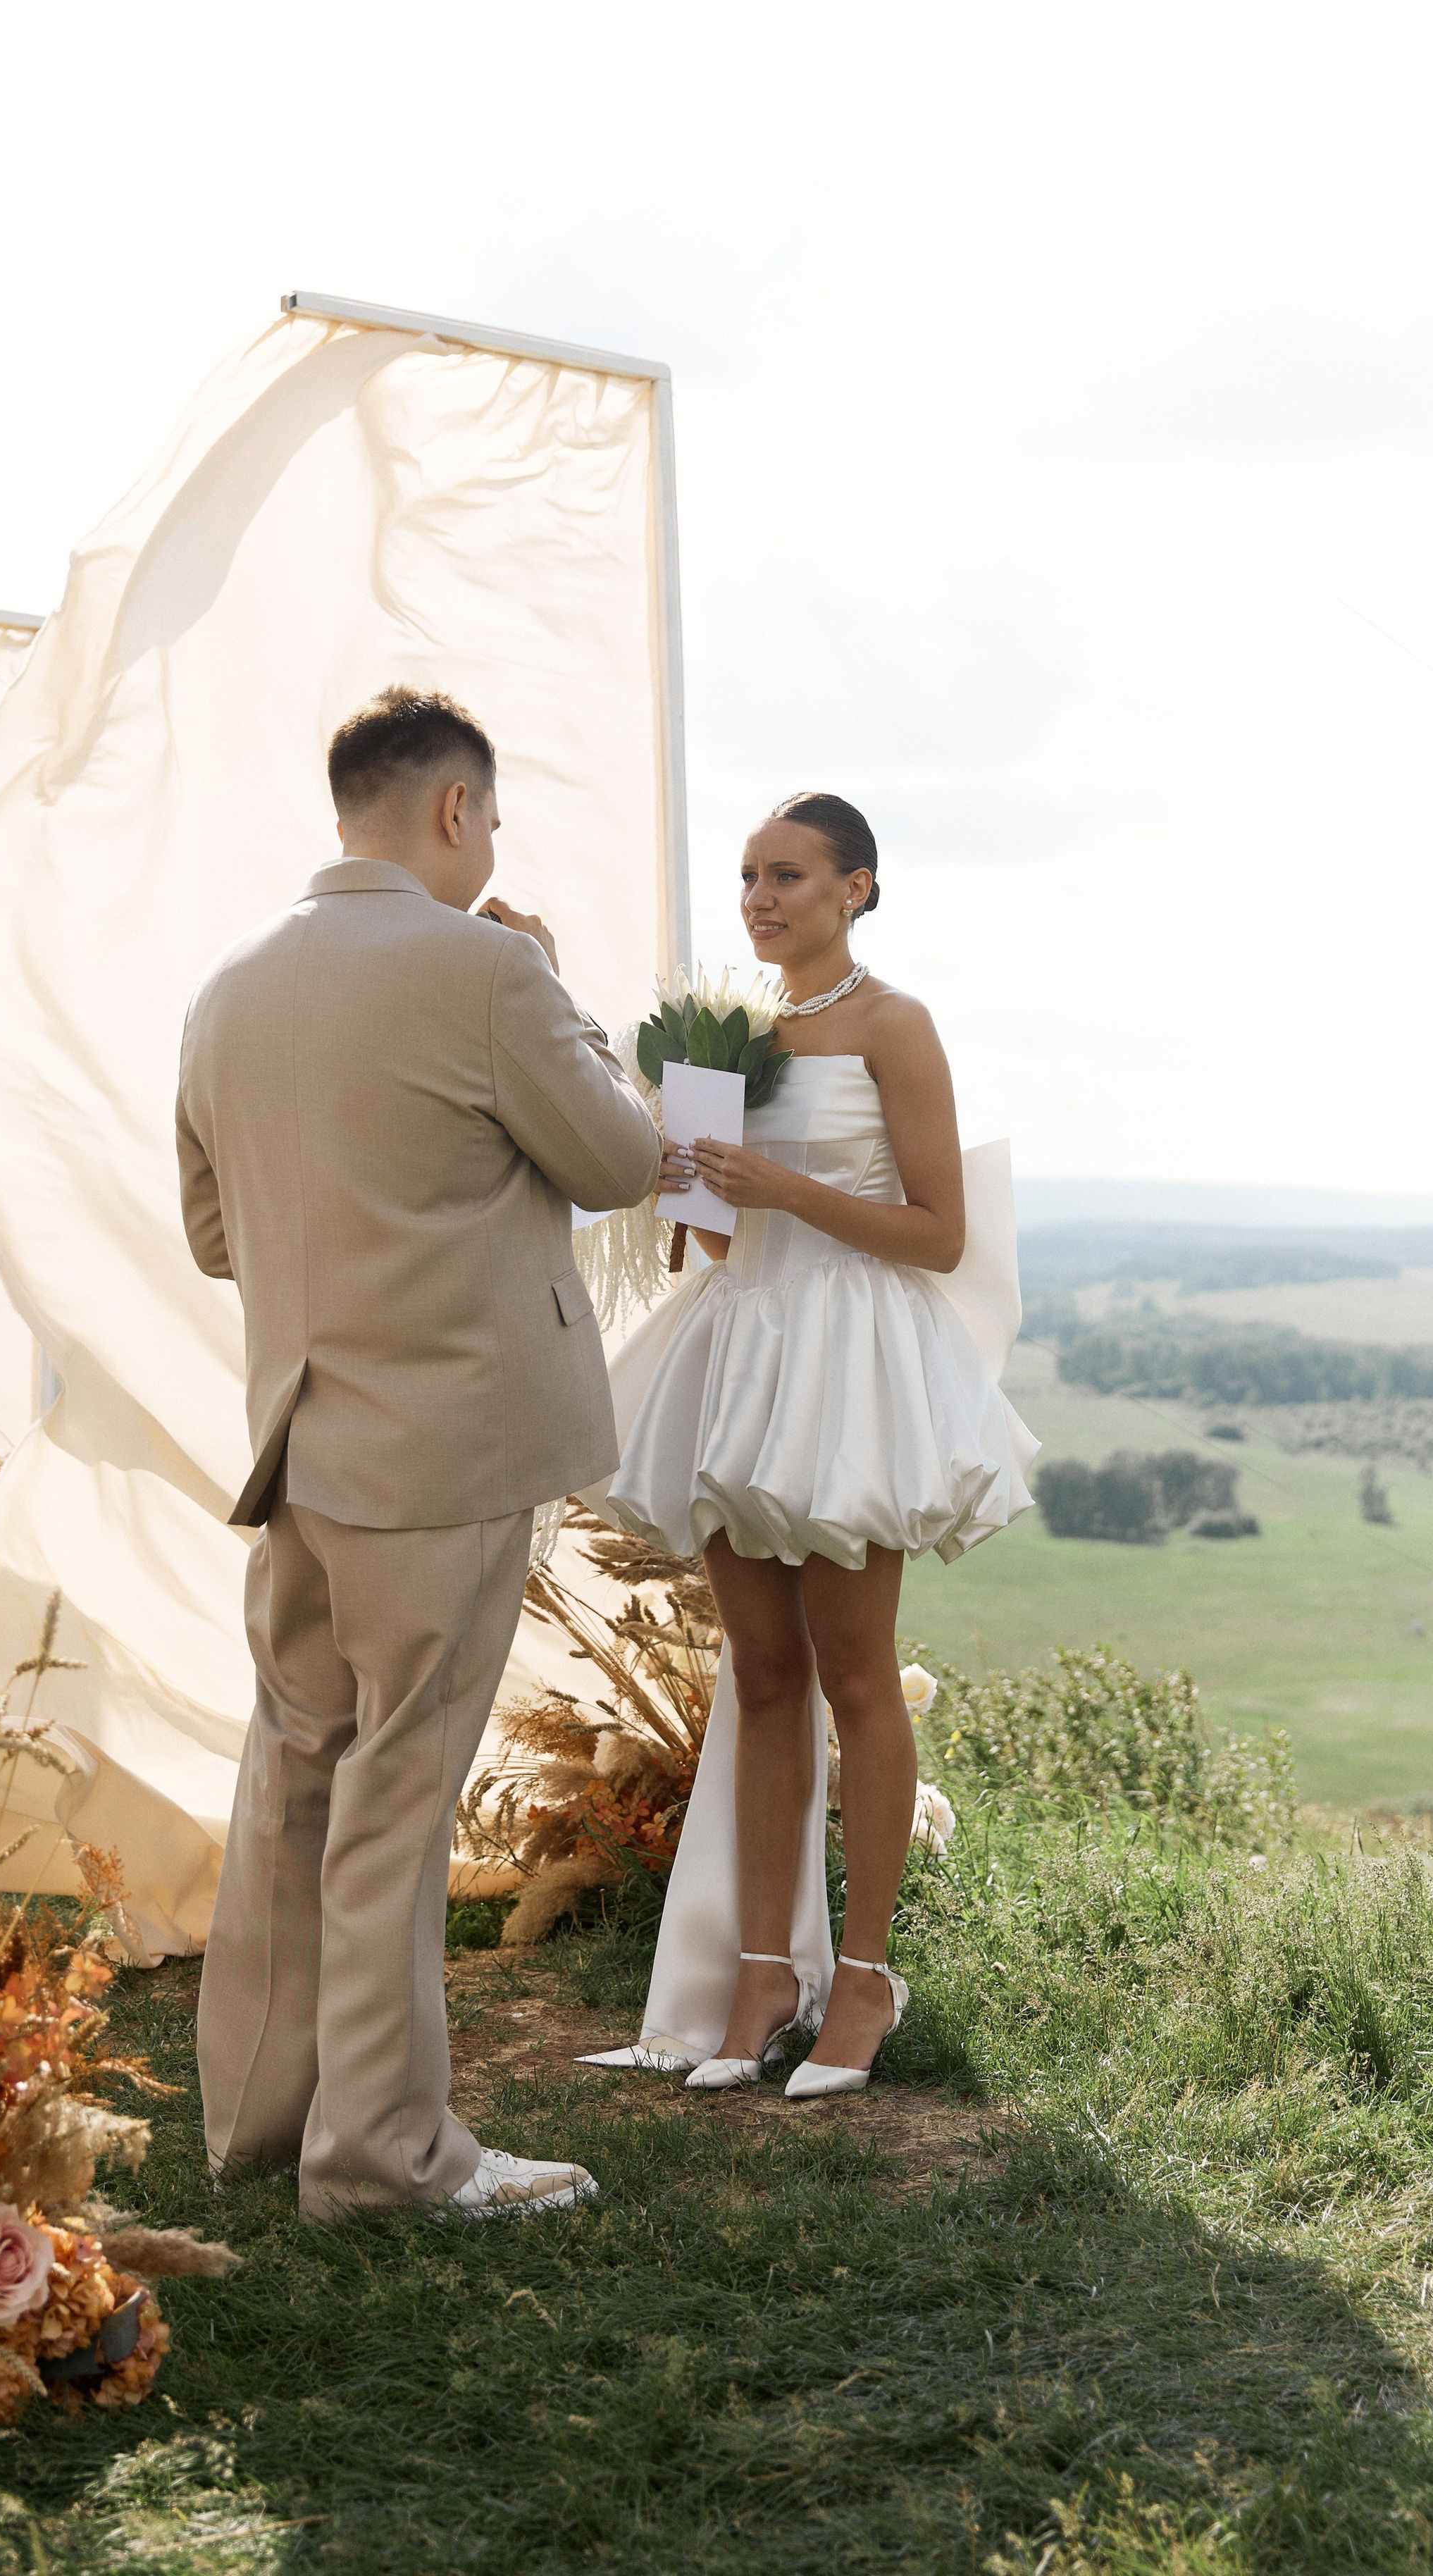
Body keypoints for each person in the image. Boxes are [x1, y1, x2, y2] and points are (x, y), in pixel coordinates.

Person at [178, 686, 662, 2218]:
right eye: (493, 821)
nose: (490, 849)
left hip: (297, 1447)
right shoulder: (486, 968)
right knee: (394, 1798)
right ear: (456, 811)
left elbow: (211, 1234)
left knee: (295, 1780)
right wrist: (546, 983)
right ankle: (384, 2157)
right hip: (439, 1453)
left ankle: (259, 2122)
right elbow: (621, 1156)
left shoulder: (228, 986)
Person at [586, 793, 1038, 2095]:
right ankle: (766, 1976)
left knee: (856, 1673)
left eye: (788, 875)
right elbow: (721, 1232)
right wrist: (694, 1198)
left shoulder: (897, 1025)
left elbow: (940, 1232)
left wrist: (783, 1187)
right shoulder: (730, 1038)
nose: (760, 898)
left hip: (851, 1361)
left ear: (860, 888)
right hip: (746, 1348)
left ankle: (869, 1979)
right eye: (746, 878)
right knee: (765, 1673)